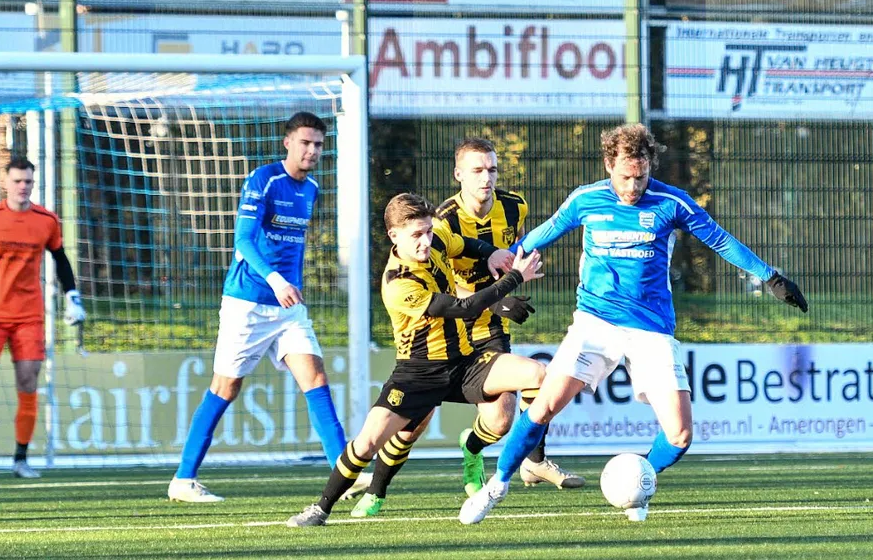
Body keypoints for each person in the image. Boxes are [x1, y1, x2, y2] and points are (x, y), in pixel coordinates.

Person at [459, 123, 809, 524]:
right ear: (609, 165)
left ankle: (638, 480)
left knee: (680, 435)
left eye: (640, 177)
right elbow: (536, 238)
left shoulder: (671, 202)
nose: (632, 187)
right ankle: (496, 487)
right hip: (595, 322)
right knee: (544, 406)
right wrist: (498, 282)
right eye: (625, 177)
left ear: (649, 168)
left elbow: (721, 239)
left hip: (651, 328)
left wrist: (771, 277)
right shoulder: (586, 200)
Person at [350, 139, 583, 519]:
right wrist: (499, 300)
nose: (486, 178)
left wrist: (502, 267)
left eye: (492, 169)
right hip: (444, 330)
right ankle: (376, 492)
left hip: (488, 329)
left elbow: (504, 255)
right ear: (458, 174)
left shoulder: (515, 206)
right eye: (477, 170)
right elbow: (440, 285)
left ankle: (488, 451)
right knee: (412, 425)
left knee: (502, 419)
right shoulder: (441, 221)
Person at [286, 192, 546, 527]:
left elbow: (463, 243)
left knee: (538, 375)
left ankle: (520, 463)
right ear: (394, 236)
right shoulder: (398, 282)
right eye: (417, 235)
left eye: (428, 231)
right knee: (367, 444)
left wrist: (491, 253)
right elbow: (462, 308)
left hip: (465, 363)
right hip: (418, 374)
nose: (426, 241)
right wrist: (514, 278)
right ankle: (321, 508)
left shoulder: (436, 239)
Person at [168, 111, 355, 502]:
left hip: (288, 308)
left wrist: (290, 286)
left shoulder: (312, 189)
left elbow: (291, 248)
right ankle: (183, 480)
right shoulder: (264, 179)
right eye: (305, 143)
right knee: (225, 386)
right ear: (288, 143)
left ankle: (345, 476)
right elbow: (243, 241)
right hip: (248, 302)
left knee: (316, 379)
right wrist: (276, 280)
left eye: (318, 145)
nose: (312, 150)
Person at [0, 157, 87, 479]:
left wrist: (72, 297)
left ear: (33, 184)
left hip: (28, 317)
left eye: (28, 181)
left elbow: (61, 260)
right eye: (17, 181)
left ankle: (21, 458)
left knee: (27, 382)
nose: (23, 186)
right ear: (5, 183)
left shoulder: (46, 221)